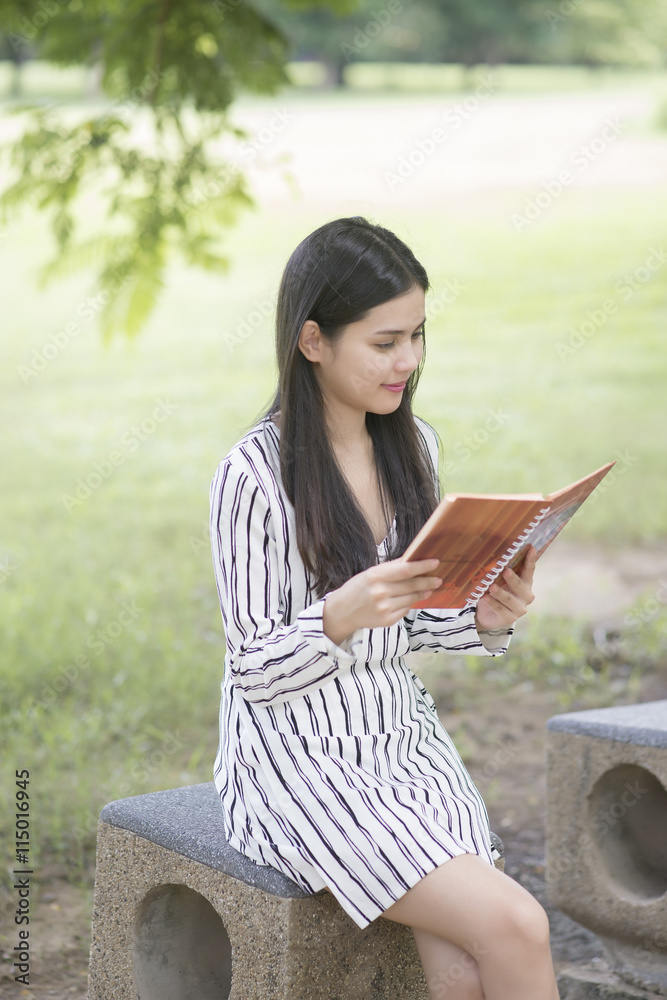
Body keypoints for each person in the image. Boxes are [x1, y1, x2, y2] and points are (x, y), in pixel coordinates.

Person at [209, 216, 560, 1000]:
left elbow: (414, 619)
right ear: (312, 342)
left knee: (466, 965)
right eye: (384, 341)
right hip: (293, 761)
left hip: (399, 740)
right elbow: (253, 669)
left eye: (417, 335)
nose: (408, 360)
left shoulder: (412, 447)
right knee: (516, 924)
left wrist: (485, 618)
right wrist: (337, 614)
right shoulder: (253, 477)